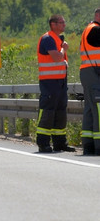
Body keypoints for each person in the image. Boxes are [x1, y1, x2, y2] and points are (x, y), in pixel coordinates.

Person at [36, 14, 75, 153]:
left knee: (60, 112)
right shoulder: (48, 38)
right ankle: (43, 143)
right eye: (61, 22)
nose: (64, 24)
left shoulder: (58, 40)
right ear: (53, 24)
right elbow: (57, 57)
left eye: (64, 22)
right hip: (49, 83)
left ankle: (60, 143)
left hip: (60, 82)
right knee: (48, 111)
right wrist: (64, 49)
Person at [79, 8, 100, 155]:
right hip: (95, 73)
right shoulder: (96, 30)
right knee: (98, 109)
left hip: (87, 72)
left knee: (90, 109)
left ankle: (88, 145)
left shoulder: (89, 29)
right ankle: (98, 145)